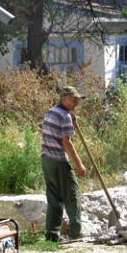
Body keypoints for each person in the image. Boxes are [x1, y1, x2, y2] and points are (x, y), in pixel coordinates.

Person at [41, 86, 87, 242]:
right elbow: (67, 143)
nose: (76, 103)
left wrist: (71, 119)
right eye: (73, 100)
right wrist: (79, 164)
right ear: (64, 99)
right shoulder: (65, 116)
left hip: (46, 160)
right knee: (72, 195)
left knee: (54, 199)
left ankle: (52, 235)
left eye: (77, 100)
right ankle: (75, 232)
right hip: (59, 161)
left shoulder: (51, 112)